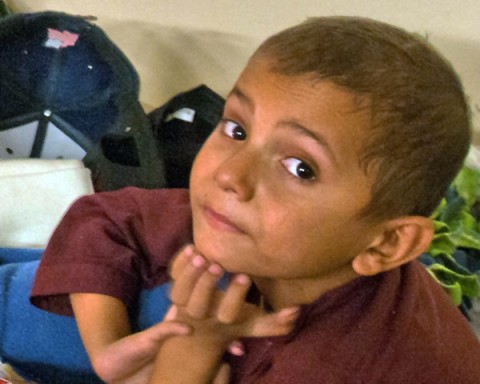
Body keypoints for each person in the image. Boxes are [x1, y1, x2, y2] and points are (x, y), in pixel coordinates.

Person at [31, 16, 480, 383]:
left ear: (386, 245)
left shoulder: (345, 366)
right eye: (237, 129)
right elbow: (105, 218)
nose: (230, 174)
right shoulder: (245, 221)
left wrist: (191, 342)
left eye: (300, 168)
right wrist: (108, 350)